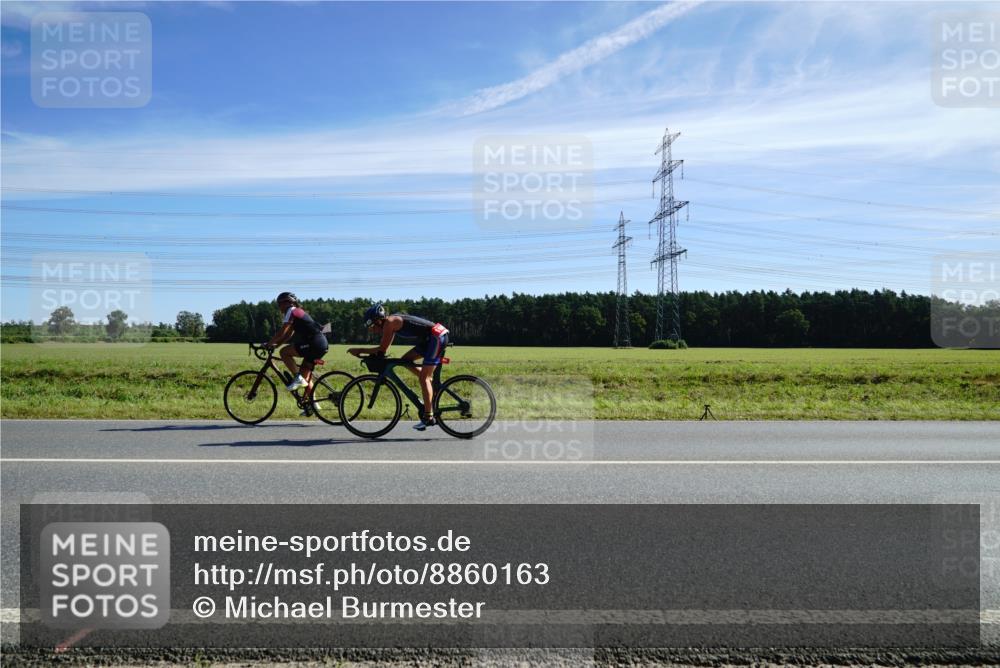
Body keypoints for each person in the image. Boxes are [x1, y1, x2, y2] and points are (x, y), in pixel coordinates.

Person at [348, 303, 449, 431]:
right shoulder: (390, 323)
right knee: (406, 361)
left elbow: (382, 349)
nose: (373, 330)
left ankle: (429, 417)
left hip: (436, 337)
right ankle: (430, 383)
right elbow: (382, 350)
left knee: (424, 378)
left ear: (378, 320)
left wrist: (359, 350)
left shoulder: (390, 323)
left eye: (372, 326)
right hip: (430, 339)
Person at [266, 292, 328, 415]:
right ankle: (313, 406)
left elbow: (282, 331)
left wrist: (269, 343)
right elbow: (288, 334)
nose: (279, 307)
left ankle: (297, 378)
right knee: (305, 378)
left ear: (288, 303)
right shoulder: (296, 313)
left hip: (314, 343)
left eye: (280, 304)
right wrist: (275, 345)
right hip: (319, 343)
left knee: (284, 352)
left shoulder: (292, 311)